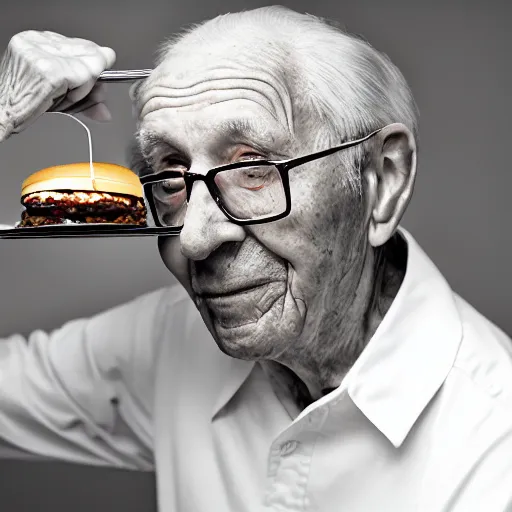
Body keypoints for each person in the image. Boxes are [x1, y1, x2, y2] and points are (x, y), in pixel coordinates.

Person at [0, 6, 511, 511]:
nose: (196, 240)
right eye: (173, 175)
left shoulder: (494, 449)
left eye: (253, 167)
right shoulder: (171, 343)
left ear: (382, 180)